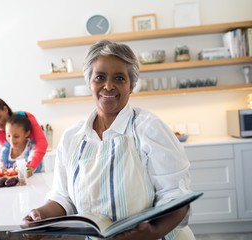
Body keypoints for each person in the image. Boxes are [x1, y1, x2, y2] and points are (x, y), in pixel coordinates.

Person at [23, 40, 195, 240]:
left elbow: (177, 196)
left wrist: (151, 233)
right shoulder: (72, 137)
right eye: (100, 77)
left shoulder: (149, 128)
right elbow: (63, 197)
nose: (108, 86)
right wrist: (40, 217)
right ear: (90, 83)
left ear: (131, 85)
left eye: (119, 78)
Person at [0, 96, 47, 172]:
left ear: (5, 109)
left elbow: (42, 143)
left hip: (33, 168)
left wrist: (30, 166)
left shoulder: (25, 118)